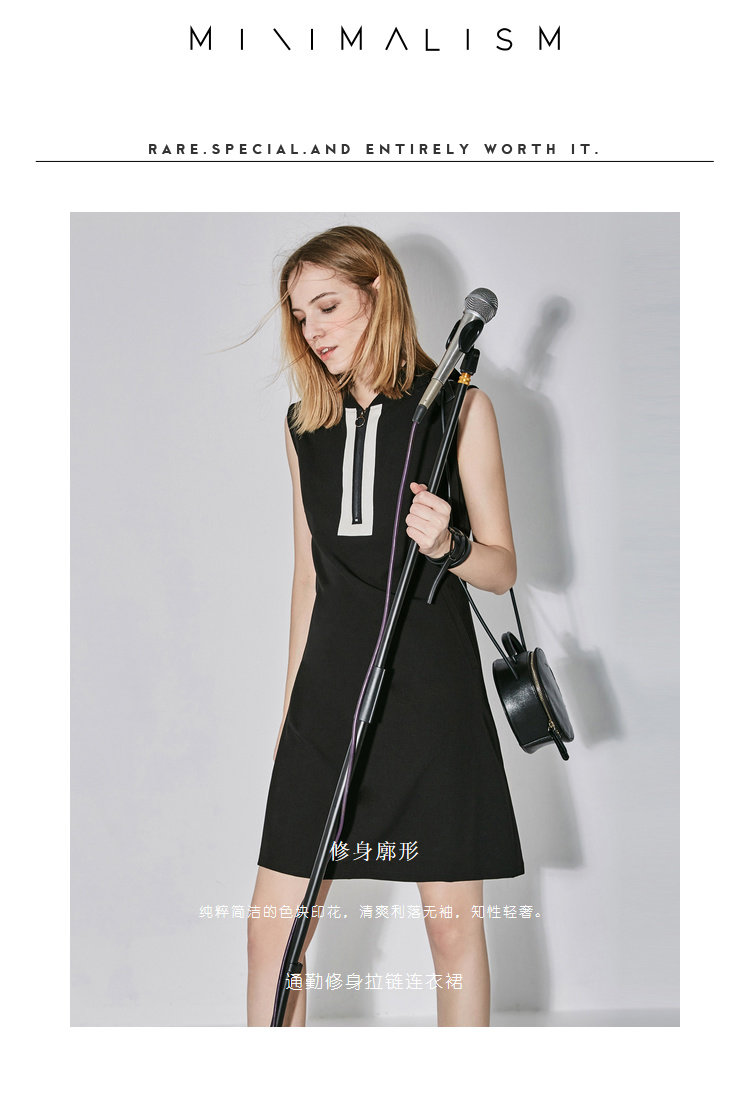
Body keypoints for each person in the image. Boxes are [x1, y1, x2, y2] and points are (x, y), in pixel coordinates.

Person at [247, 225, 524, 1027]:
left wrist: (452, 545)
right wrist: (292, 712)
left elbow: (503, 568)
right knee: (274, 933)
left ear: (380, 293)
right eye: (301, 315)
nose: (313, 328)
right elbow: (308, 579)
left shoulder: (462, 409)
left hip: (433, 698)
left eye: (328, 305)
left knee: (451, 929)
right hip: (331, 696)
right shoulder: (303, 426)